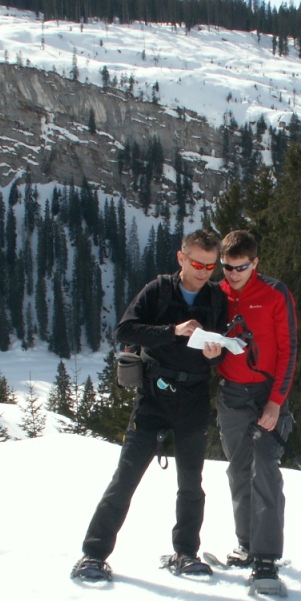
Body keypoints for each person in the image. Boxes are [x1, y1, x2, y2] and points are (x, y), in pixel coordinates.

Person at [71, 230, 227, 582]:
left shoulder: (216, 298)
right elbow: (125, 331)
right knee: (125, 478)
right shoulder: (159, 290)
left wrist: (214, 354)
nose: (204, 272)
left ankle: (186, 553)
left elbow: (217, 351)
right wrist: (173, 331)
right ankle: (93, 555)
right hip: (153, 396)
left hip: (193, 398)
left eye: (210, 265)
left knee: (191, 483)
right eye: (197, 263)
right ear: (181, 258)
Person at [216, 230, 298, 592]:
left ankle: (266, 559)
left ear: (255, 263)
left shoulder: (274, 293)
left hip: (267, 396)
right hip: (231, 394)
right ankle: (247, 545)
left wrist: (276, 403)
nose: (233, 274)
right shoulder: (217, 294)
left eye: (240, 267)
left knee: (264, 468)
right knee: (238, 470)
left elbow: (288, 350)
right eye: (227, 267)